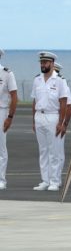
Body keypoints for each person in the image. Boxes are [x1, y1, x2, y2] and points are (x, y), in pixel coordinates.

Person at [31, 52, 70, 191]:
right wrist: (34, 121)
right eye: (42, 62)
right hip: (39, 116)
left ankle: (54, 180)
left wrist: (61, 122)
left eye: (46, 62)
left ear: (52, 64)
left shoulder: (59, 80)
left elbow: (64, 102)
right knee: (43, 150)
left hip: (53, 116)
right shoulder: (37, 80)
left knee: (54, 151)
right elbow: (34, 100)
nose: (43, 65)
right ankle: (45, 180)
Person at [0, 48, 18, 190]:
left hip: (1, 111)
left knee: (1, 147)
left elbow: (14, 96)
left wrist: (10, 117)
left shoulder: (6, 73)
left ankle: (1, 180)